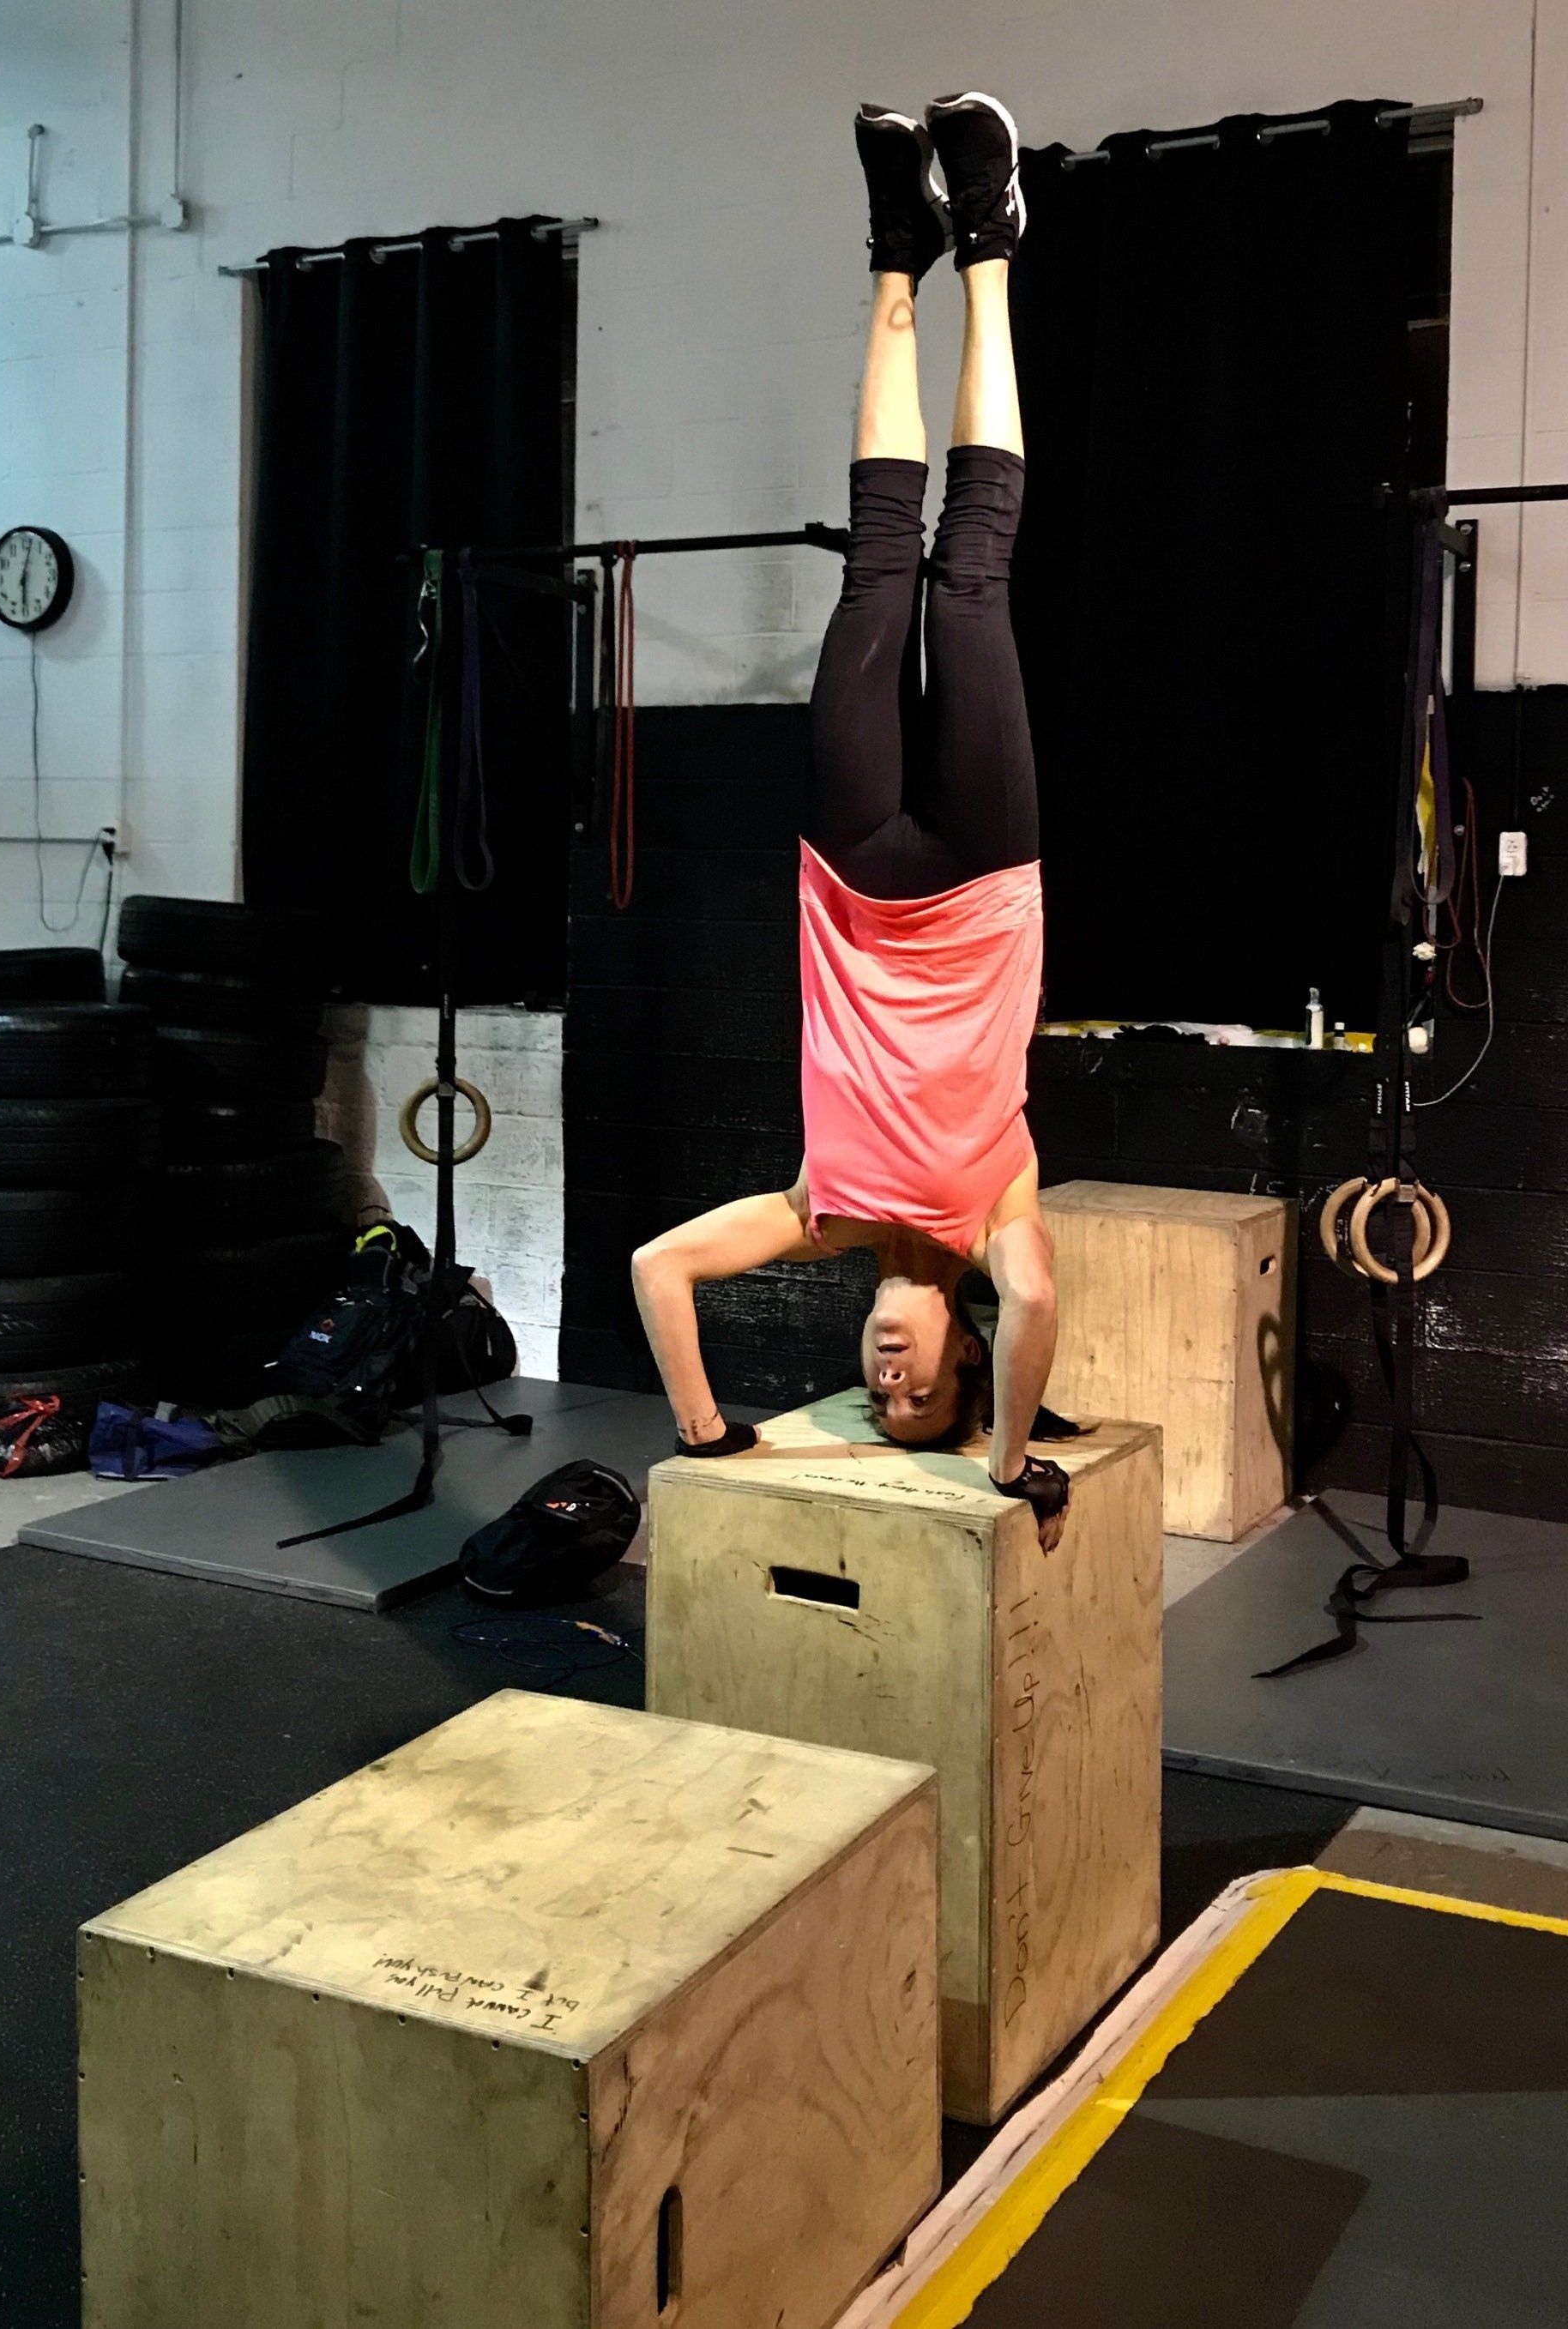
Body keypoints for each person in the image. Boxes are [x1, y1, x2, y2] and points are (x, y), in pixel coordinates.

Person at [632, 90, 1071, 1542]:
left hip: (858, 874)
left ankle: (899, 247)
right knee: (975, 575)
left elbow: (658, 1270)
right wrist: (1001, 1462)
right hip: (987, 869)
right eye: (920, 1395)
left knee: (882, 566)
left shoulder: (819, 1209)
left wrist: (707, 1433)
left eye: (878, 1398)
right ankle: (993, 246)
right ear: (960, 1360)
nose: (891, 1383)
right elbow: (1040, 1312)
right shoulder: (997, 1217)